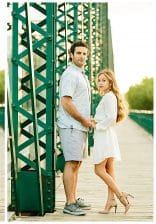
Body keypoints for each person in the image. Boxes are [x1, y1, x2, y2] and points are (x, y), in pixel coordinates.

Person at [91, 69, 134, 214]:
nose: (100, 83)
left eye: (104, 80)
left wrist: (96, 125)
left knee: (98, 169)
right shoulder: (109, 96)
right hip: (107, 135)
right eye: (99, 80)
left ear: (110, 83)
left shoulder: (109, 97)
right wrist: (95, 120)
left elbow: (110, 118)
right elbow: (106, 116)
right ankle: (110, 201)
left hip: (104, 136)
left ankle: (122, 196)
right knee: (109, 169)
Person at [58, 40, 92, 216]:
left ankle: (73, 197)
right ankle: (69, 203)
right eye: (78, 53)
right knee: (71, 162)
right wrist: (83, 119)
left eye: (85, 54)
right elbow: (66, 102)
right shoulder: (70, 74)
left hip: (79, 126)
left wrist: (86, 120)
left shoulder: (80, 74)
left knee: (76, 163)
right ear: (71, 55)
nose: (82, 56)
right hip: (71, 126)